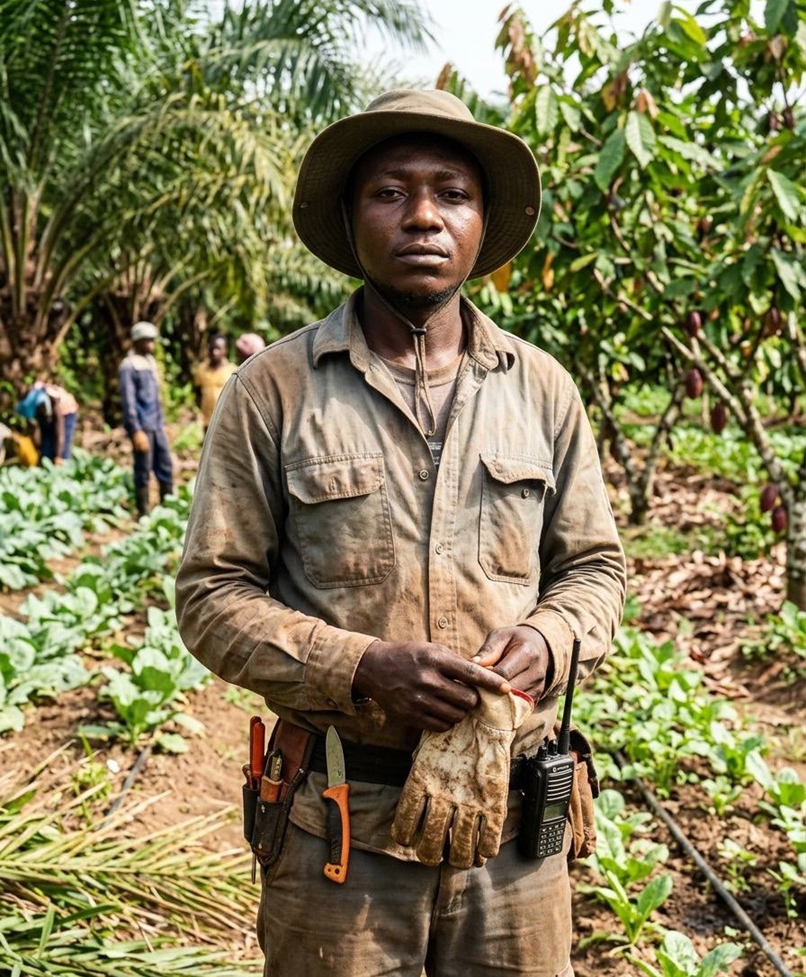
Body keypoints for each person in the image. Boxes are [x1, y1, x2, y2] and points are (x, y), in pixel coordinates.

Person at [176, 90, 626, 977]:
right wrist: (362, 666)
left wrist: (549, 638)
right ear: (351, 219)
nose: (423, 215)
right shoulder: (273, 390)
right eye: (390, 192)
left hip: (512, 827)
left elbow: (595, 568)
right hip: (340, 825)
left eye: (451, 193)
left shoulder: (542, 389)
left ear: (482, 221)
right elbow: (211, 596)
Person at [118, 320, 173, 518]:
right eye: (146, 340)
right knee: (143, 468)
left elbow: (156, 398)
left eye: (152, 340)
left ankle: (169, 508)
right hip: (143, 426)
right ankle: (143, 511)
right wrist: (135, 430)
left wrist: (163, 423)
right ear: (136, 342)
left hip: (156, 425)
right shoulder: (129, 366)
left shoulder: (150, 363)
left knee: (165, 465)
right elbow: (129, 401)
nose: (151, 344)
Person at [193, 332, 236, 431]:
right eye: (212, 348)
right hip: (208, 422)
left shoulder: (233, 371)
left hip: (227, 423)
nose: (214, 352)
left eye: (218, 349)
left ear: (225, 350)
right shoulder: (201, 370)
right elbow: (198, 393)